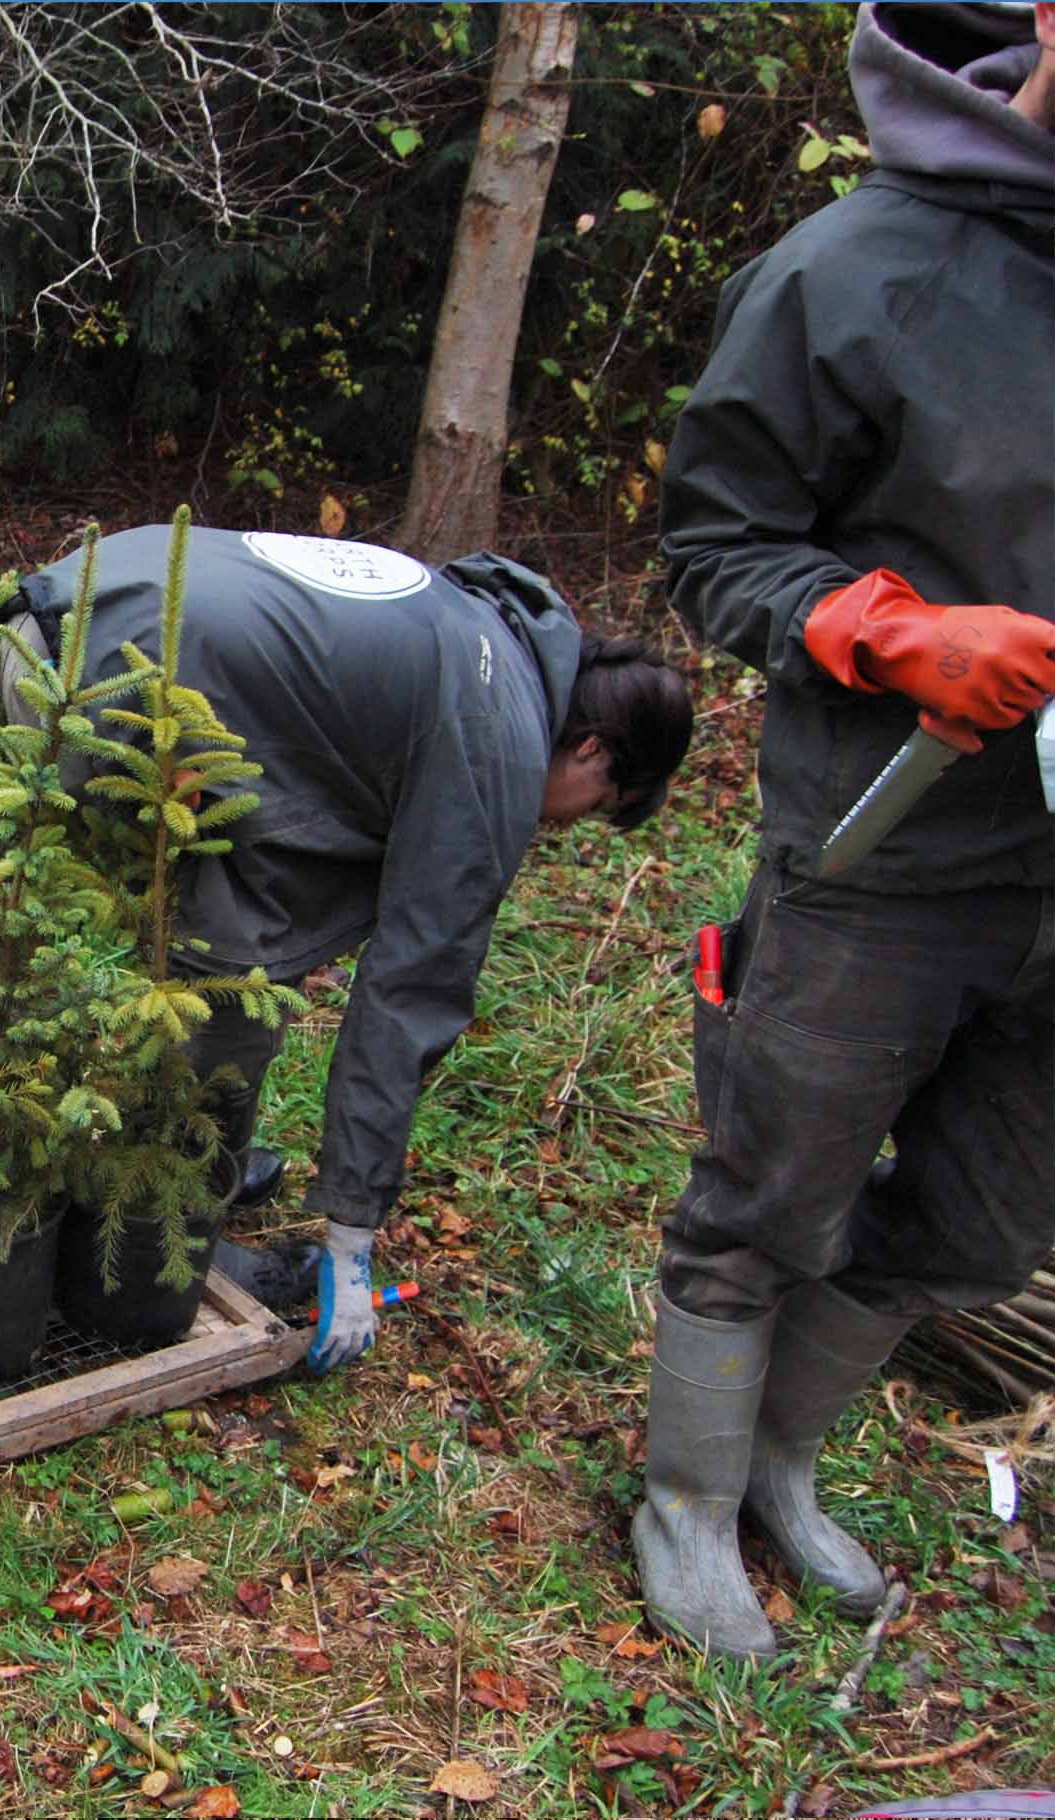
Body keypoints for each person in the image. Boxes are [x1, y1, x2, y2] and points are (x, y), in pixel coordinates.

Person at [641, 0, 1055, 1660]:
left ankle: (782, 1469)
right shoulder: (853, 270)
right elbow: (716, 542)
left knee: (981, 1223)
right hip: (889, 858)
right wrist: (893, 636)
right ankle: (685, 1498)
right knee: (772, 1195)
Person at [3, 523, 694, 1371]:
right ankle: (160, 1225)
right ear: (592, 749)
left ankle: (189, 1156)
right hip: (106, 679)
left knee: (243, 926)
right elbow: (407, 997)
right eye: (593, 805)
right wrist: (350, 1239)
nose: (563, 824)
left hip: (76, 598)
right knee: (224, 978)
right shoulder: (498, 742)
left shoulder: (490, 631)